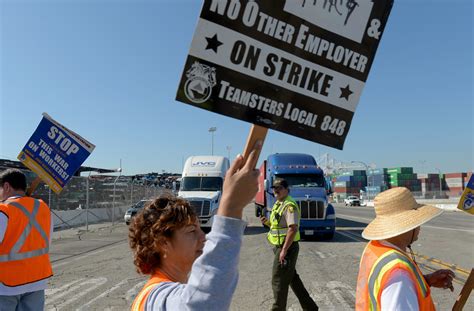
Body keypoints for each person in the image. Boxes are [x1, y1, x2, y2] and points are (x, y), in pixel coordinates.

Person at [129, 142, 261, 310]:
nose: (204, 237)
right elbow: (202, 304)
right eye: (191, 231)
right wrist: (231, 208)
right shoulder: (155, 297)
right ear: (162, 242)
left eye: (200, 229)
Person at [355, 187, 456, 310]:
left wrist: (426, 280)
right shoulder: (399, 274)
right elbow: (397, 286)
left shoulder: (375, 247)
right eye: (417, 221)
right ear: (408, 226)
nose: (419, 226)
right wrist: (406, 282)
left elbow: (382, 287)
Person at [260, 178, 318, 311]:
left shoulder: (289, 205)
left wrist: (284, 250)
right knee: (293, 279)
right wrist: (267, 223)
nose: (276, 190)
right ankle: (310, 308)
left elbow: (292, 229)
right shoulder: (278, 203)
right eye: (274, 188)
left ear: (287, 190)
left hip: (287, 247)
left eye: (279, 188)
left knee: (278, 280)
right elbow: (279, 227)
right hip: (280, 247)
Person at [0, 169, 54, 310]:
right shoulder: (43, 207)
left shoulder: (4, 210)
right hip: (37, 279)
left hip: (6, 284)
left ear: (6, 187)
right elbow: (46, 242)